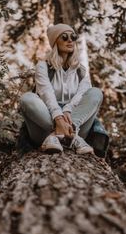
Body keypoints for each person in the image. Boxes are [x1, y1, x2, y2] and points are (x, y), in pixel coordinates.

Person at [19, 23, 103, 154]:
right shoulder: (43, 66)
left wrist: (68, 110)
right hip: (44, 126)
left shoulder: (80, 70)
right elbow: (46, 93)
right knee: (27, 98)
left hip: (76, 124)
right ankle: (60, 136)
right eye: (64, 37)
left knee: (96, 92)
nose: (70, 40)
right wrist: (58, 117)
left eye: (73, 36)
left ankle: (68, 134)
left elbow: (83, 94)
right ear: (55, 42)